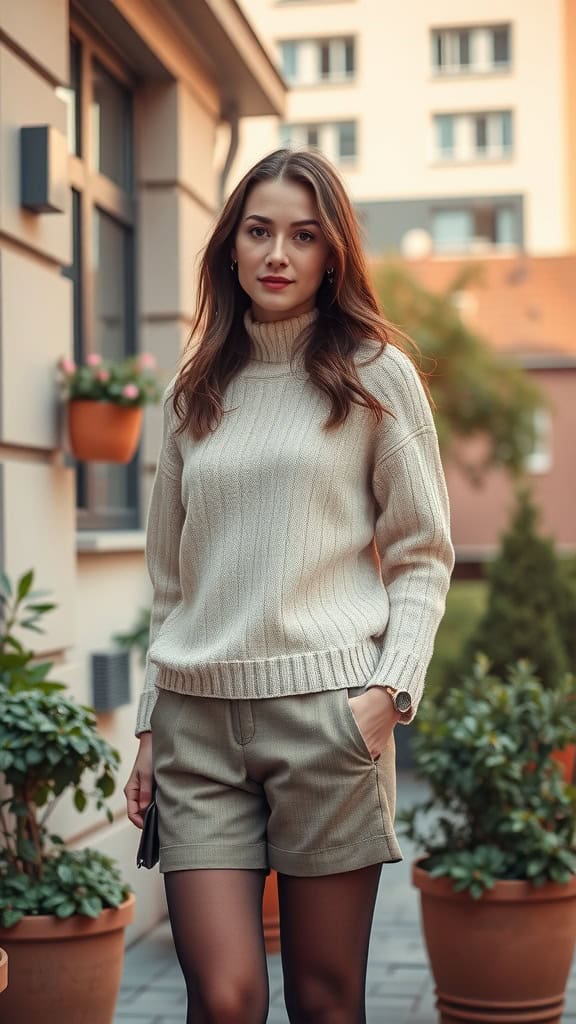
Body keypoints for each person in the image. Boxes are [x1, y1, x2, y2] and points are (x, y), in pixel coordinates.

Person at [124, 147, 454, 1024]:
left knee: (324, 999)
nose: (278, 253)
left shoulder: (374, 373)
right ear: (230, 247)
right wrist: (152, 726)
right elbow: (169, 584)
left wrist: (388, 694)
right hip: (196, 728)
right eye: (259, 230)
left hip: (328, 721)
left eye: (303, 236)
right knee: (225, 1000)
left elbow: (423, 552)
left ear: (332, 254)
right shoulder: (193, 391)